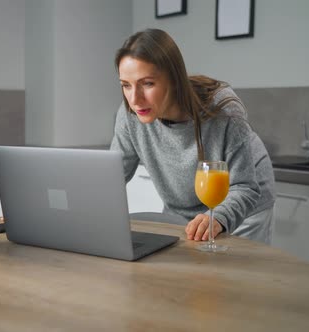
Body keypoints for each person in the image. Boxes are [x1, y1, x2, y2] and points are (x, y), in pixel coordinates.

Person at [110, 28, 276, 244]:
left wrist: (219, 218)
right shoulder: (130, 114)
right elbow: (112, 177)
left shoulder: (224, 110)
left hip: (242, 207)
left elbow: (245, 186)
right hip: (181, 210)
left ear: (174, 79)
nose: (135, 99)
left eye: (148, 83)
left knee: (234, 276)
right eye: (126, 85)